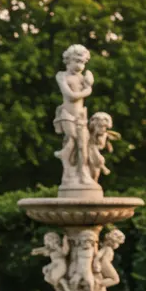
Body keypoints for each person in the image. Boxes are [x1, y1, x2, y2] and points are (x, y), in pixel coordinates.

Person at [54, 45, 94, 188]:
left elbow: (86, 90)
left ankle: (82, 173)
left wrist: (89, 84)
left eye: (83, 62)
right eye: (76, 61)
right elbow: (70, 96)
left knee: (83, 146)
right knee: (73, 139)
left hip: (81, 116)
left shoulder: (83, 78)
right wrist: (87, 90)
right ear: (68, 60)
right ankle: (67, 169)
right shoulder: (62, 76)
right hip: (67, 115)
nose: (80, 65)